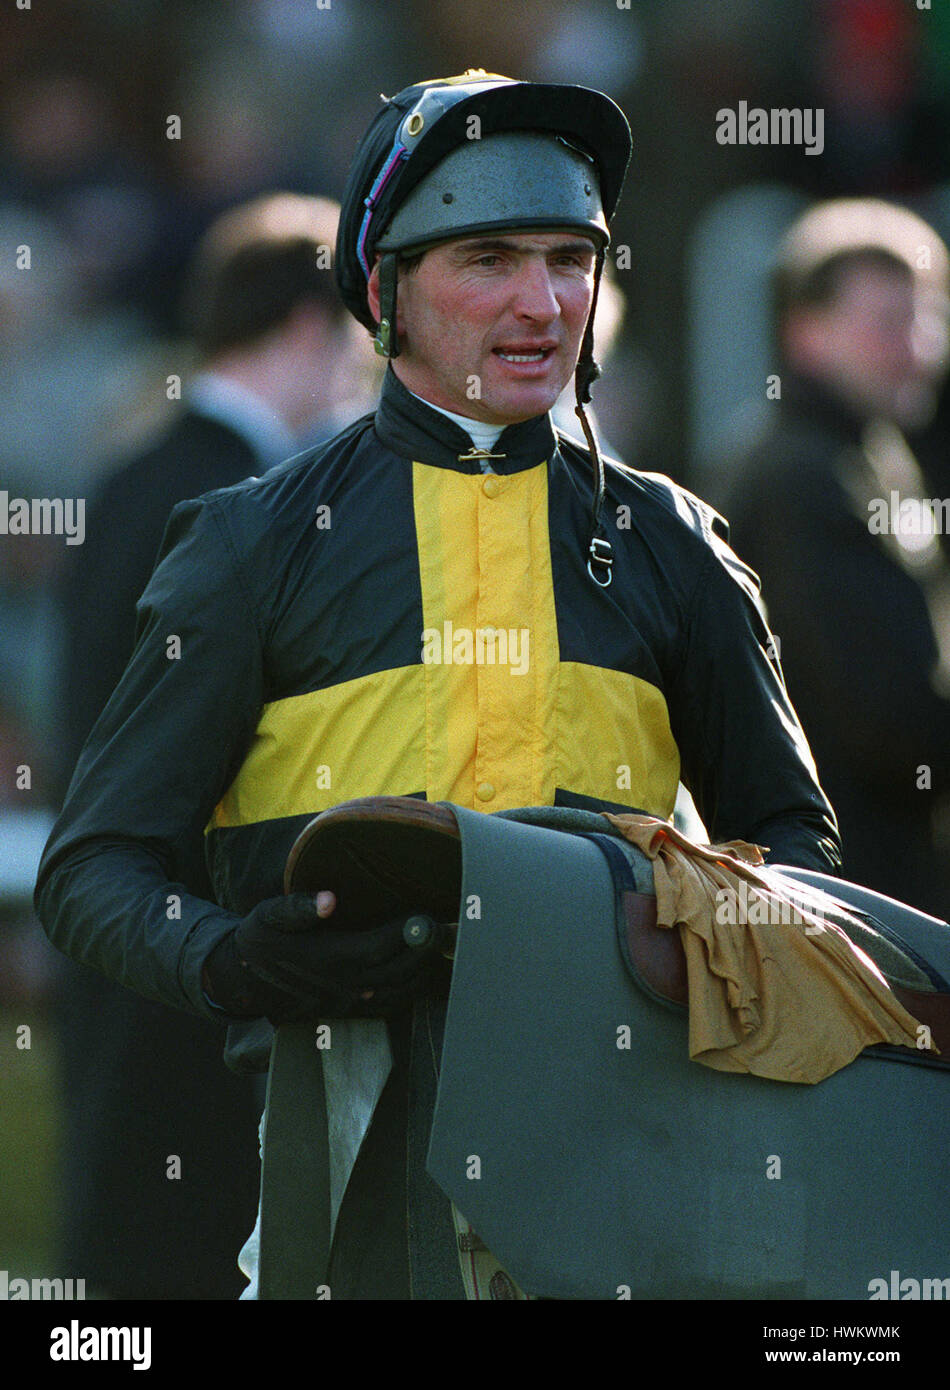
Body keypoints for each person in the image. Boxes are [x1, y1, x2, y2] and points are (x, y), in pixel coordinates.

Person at [36, 71, 840, 1301]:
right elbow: (92, 868)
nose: (542, 303)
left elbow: (793, 852)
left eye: (571, 258)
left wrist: (709, 943)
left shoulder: (677, 543)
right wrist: (230, 959)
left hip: (627, 1187)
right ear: (382, 293)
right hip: (337, 1185)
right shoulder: (249, 542)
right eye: (488, 257)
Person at [49, 193, 371, 1300]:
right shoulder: (241, 500)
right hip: (193, 924)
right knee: (181, 1239)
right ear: (301, 325)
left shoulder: (136, 468)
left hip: (124, 909)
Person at [727, 198, 950, 921]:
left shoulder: (863, 457)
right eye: (890, 322)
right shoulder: (802, 480)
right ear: (807, 333)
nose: (919, 346)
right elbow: (885, 716)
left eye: (929, 318)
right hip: (849, 905)